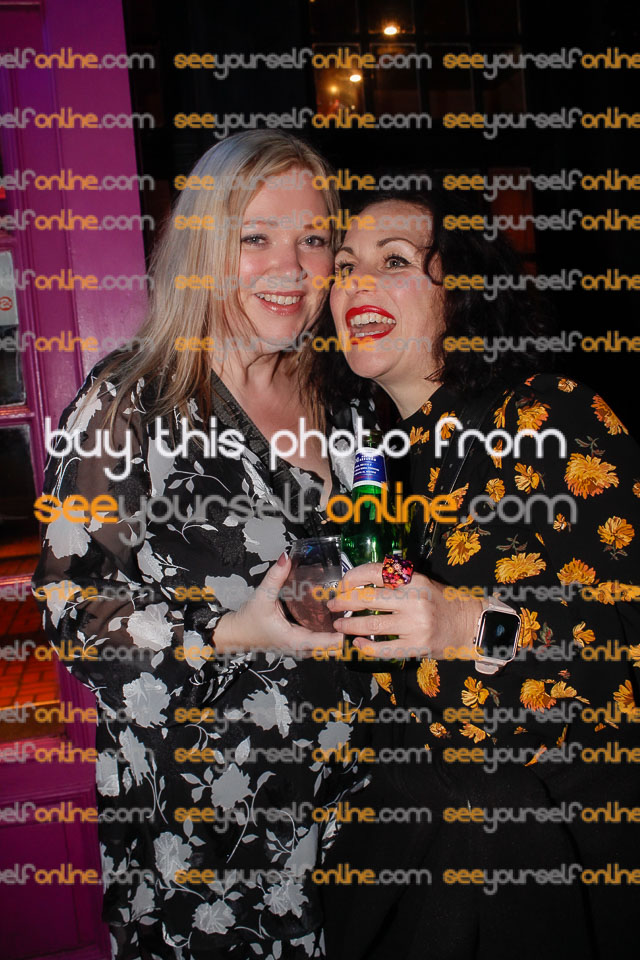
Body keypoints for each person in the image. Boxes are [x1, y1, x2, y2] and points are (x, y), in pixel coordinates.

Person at [32, 131, 378, 960]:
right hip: (204, 837)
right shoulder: (134, 398)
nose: (290, 267)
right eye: (255, 238)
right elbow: (71, 607)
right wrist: (227, 632)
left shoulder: (348, 403)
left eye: (313, 239)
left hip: (353, 807)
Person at [318, 191, 640, 959]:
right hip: (413, 845)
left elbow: (624, 647)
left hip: (556, 851)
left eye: (395, 261)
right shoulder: (375, 465)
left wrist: (466, 625)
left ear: (463, 291)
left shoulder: (549, 415)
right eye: (344, 266)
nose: (358, 283)